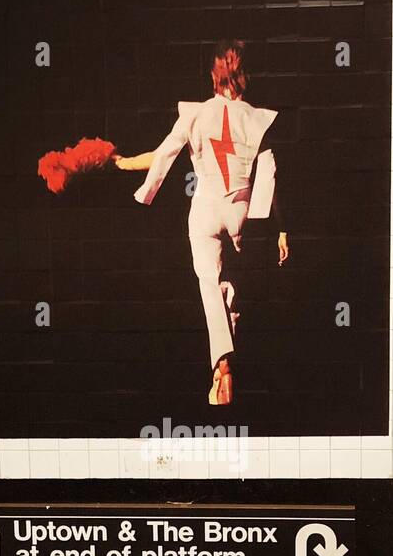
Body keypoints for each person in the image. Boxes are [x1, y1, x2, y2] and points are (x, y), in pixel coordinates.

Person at [114, 39, 288, 405]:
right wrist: (278, 228)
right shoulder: (256, 119)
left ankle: (221, 364)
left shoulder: (195, 114)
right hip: (241, 209)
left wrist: (125, 164)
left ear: (214, 76)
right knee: (233, 287)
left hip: (206, 208)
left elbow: (164, 155)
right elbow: (271, 173)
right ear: (245, 76)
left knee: (210, 284)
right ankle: (229, 361)